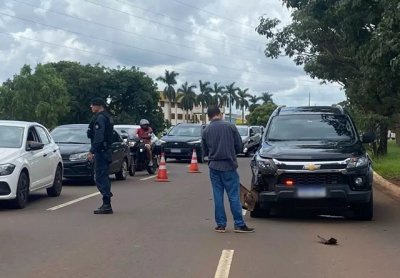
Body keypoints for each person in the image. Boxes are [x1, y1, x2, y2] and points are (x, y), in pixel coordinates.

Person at [202, 106, 255, 233]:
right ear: (219, 114)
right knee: (233, 196)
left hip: (214, 166)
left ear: (209, 116)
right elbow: (239, 146)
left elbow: (204, 150)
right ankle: (239, 224)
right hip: (229, 165)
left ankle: (221, 225)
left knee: (217, 196)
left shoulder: (206, 130)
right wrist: (232, 153)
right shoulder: (230, 127)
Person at [87, 97, 114, 214]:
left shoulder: (101, 118)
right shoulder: (107, 117)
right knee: (103, 176)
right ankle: (106, 200)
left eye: (92, 105)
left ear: (98, 106)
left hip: (101, 151)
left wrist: (92, 150)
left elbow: (99, 136)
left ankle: (106, 203)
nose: (91, 107)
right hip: (106, 150)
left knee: (100, 177)